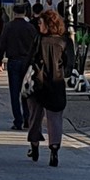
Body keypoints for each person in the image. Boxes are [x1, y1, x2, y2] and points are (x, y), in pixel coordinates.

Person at [24, 9, 71, 167]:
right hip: (56, 84)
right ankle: (54, 150)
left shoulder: (39, 40)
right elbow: (70, 65)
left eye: (41, 22)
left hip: (38, 83)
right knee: (55, 118)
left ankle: (34, 146)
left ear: (47, 24)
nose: (39, 25)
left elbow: (29, 59)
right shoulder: (65, 41)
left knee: (34, 116)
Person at [0, 3, 37, 130]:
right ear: (25, 12)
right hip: (27, 62)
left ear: (14, 12)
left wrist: (0, 59)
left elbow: (2, 44)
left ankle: (17, 120)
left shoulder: (8, 26)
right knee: (26, 91)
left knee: (14, 92)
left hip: (13, 61)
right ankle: (28, 119)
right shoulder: (30, 27)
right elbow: (36, 45)